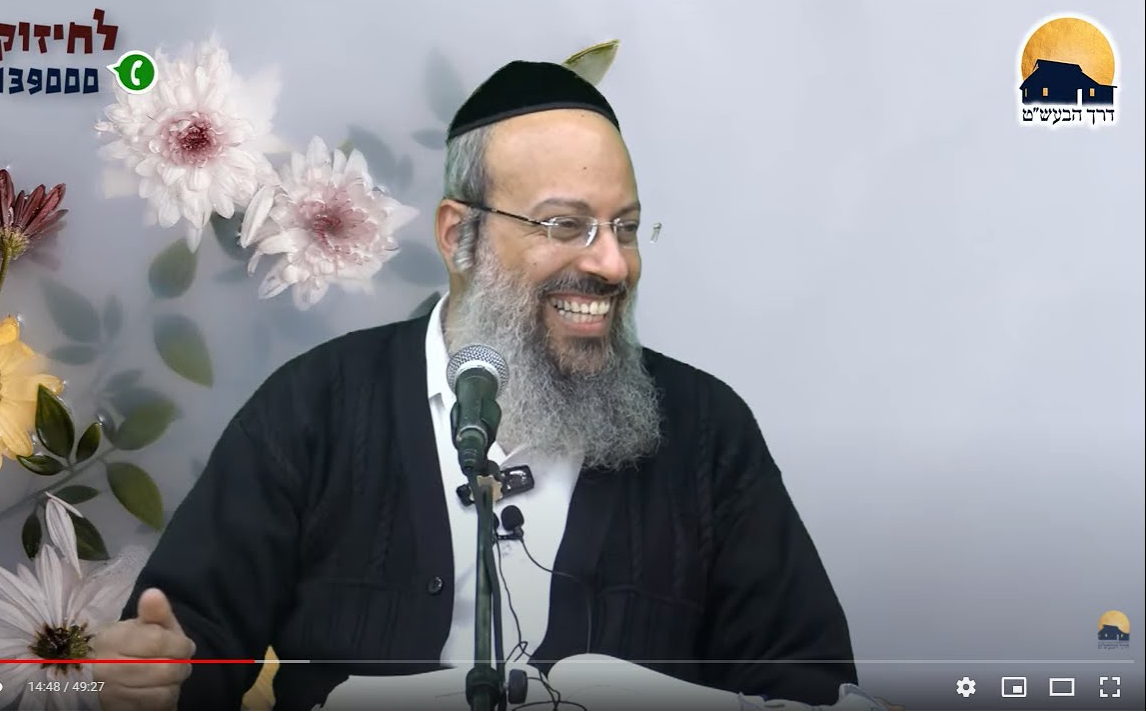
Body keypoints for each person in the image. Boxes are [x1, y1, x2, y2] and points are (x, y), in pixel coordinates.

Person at [93, 60, 858, 711]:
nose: (612, 264)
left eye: (625, 228)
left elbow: (808, 680)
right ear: (459, 236)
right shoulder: (312, 408)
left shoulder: (706, 430)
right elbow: (187, 653)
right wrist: (152, 679)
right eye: (566, 225)